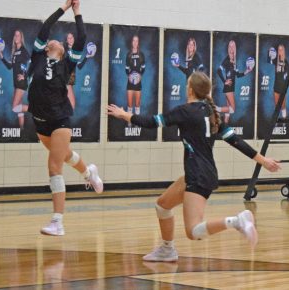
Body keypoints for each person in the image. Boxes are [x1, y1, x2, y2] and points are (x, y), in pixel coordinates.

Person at [107, 71, 280, 262]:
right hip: (201, 173)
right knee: (162, 205)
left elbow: (151, 122)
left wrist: (124, 115)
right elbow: (236, 141)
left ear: (190, 89)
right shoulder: (211, 114)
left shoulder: (185, 111)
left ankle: (236, 221)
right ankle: (167, 249)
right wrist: (263, 160)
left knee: (193, 231)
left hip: (198, 176)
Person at [28, 0, 103, 236]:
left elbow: (81, 39)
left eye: (58, 42)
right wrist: (62, 8)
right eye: (51, 41)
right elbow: (44, 28)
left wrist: (77, 11)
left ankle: (57, 221)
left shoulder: (68, 64)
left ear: (62, 51)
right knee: (66, 155)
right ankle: (89, 172)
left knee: (54, 165)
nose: (53, 40)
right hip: (39, 121)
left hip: (60, 119)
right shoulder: (37, 57)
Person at [0, 30, 30, 130]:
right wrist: (1, 56)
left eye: (18, 35)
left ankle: (36, 109)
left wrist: (25, 76)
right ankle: (22, 130)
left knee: (14, 107)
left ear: (21, 38)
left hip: (21, 83)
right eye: (15, 35)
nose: (16, 37)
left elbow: (30, 64)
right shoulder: (15, 52)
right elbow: (10, 66)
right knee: (19, 110)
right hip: (16, 83)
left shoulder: (24, 51)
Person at [216, 39, 254, 123]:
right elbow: (218, 70)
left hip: (231, 88)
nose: (231, 48)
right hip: (228, 87)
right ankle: (215, 109)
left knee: (228, 112)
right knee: (232, 109)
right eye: (230, 46)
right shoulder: (226, 59)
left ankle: (224, 128)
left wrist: (247, 71)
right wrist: (224, 81)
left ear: (235, 48)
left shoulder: (234, 61)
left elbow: (238, 75)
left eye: (233, 46)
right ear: (228, 48)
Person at [125, 35, 145, 117]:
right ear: (132, 42)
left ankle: (137, 123)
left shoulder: (141, 54)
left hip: (138, 82)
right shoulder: (128, 54)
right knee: (129, 105)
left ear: (138, 43)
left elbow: (143, 68)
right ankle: (129, 122)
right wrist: (129, 75)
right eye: (134, 40)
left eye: (137, 41)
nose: (135, 42)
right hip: (130, 82)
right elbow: (126, 69)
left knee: (137, 104)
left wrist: (140, 75)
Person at [269, 44, 289, 120]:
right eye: (279, 49)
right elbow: (269, 59)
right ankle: (276, 120)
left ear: (283, 51)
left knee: (283, 105)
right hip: (276, 87)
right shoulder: (275, 60)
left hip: (282, 88)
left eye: (281, 49)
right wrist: (271, 51)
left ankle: (284, 119)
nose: (280, 51)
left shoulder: (286, 63)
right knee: (277, 105)